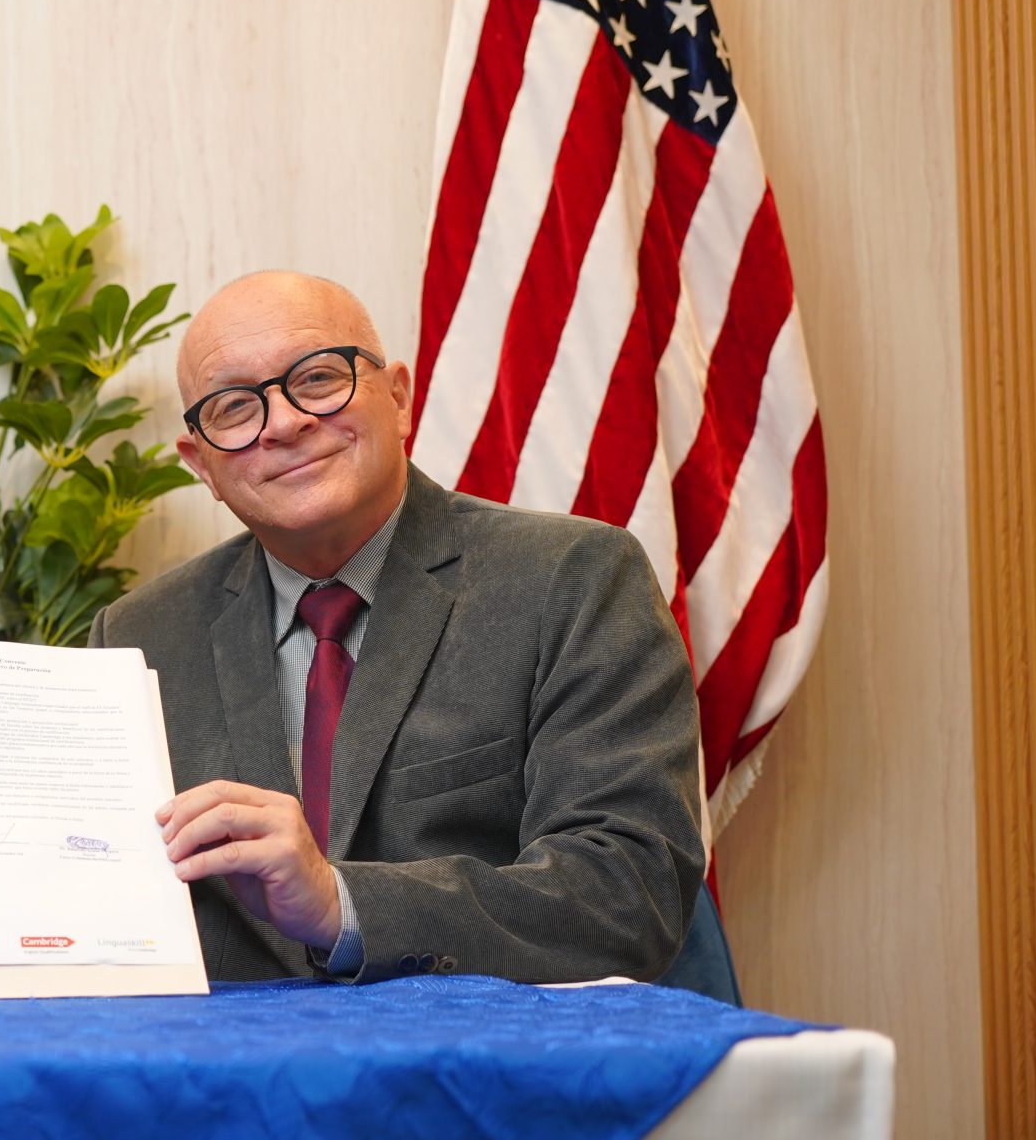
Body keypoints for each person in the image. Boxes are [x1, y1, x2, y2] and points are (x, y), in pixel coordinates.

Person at [90, 270, 723, 990]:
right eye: (235, 407)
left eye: (318, 377)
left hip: (485, 1053)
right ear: (201, 464)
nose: (285, 422)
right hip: (215, 1057)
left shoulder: (573, 580)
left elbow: (628, 890)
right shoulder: (138, 636)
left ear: (397, 399)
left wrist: (344, 904)